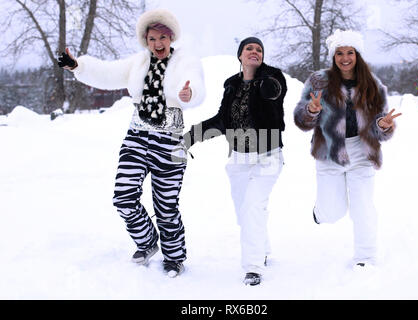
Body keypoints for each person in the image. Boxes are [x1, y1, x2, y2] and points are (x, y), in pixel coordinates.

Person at [58, 9, 205, 277]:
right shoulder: (138, 62)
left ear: (171, 37)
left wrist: (189, 92)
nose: (157, 43)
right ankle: (147, 241)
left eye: (162, 37)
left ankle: (174, 257)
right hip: (137, 139)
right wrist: (77, 66)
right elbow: (106, 73)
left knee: (166, 206)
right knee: (124, 197)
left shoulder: (185, 60)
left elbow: (195, 84)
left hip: (170, 143)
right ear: (145, 40)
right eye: (152, 39)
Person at [293, 29, 401, 269]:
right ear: (333, 56)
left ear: (357, 55)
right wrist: (311, 110)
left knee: (363, 207)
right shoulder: (318, 81)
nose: (344, 58)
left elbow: (381, 127)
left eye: (349, 52)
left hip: (362, 152)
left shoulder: (374, 85)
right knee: (332, 212)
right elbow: (301, 120)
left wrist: (383, 126)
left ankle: (366, 257)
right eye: (339, 53)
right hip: (329, 153)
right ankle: (321, 213)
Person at [184, 37, 287, 286]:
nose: (254, 51)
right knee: (246, 213)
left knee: (252, 206)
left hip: (268, 155)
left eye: (259, 49)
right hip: (239, 157)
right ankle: (261, 248)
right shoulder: (231, 85)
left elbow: (275, 93)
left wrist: (263, 83)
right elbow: (222, 120)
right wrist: (191, 136)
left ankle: (253, 267)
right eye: (249, 48)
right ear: (240, 55)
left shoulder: (273, 77)